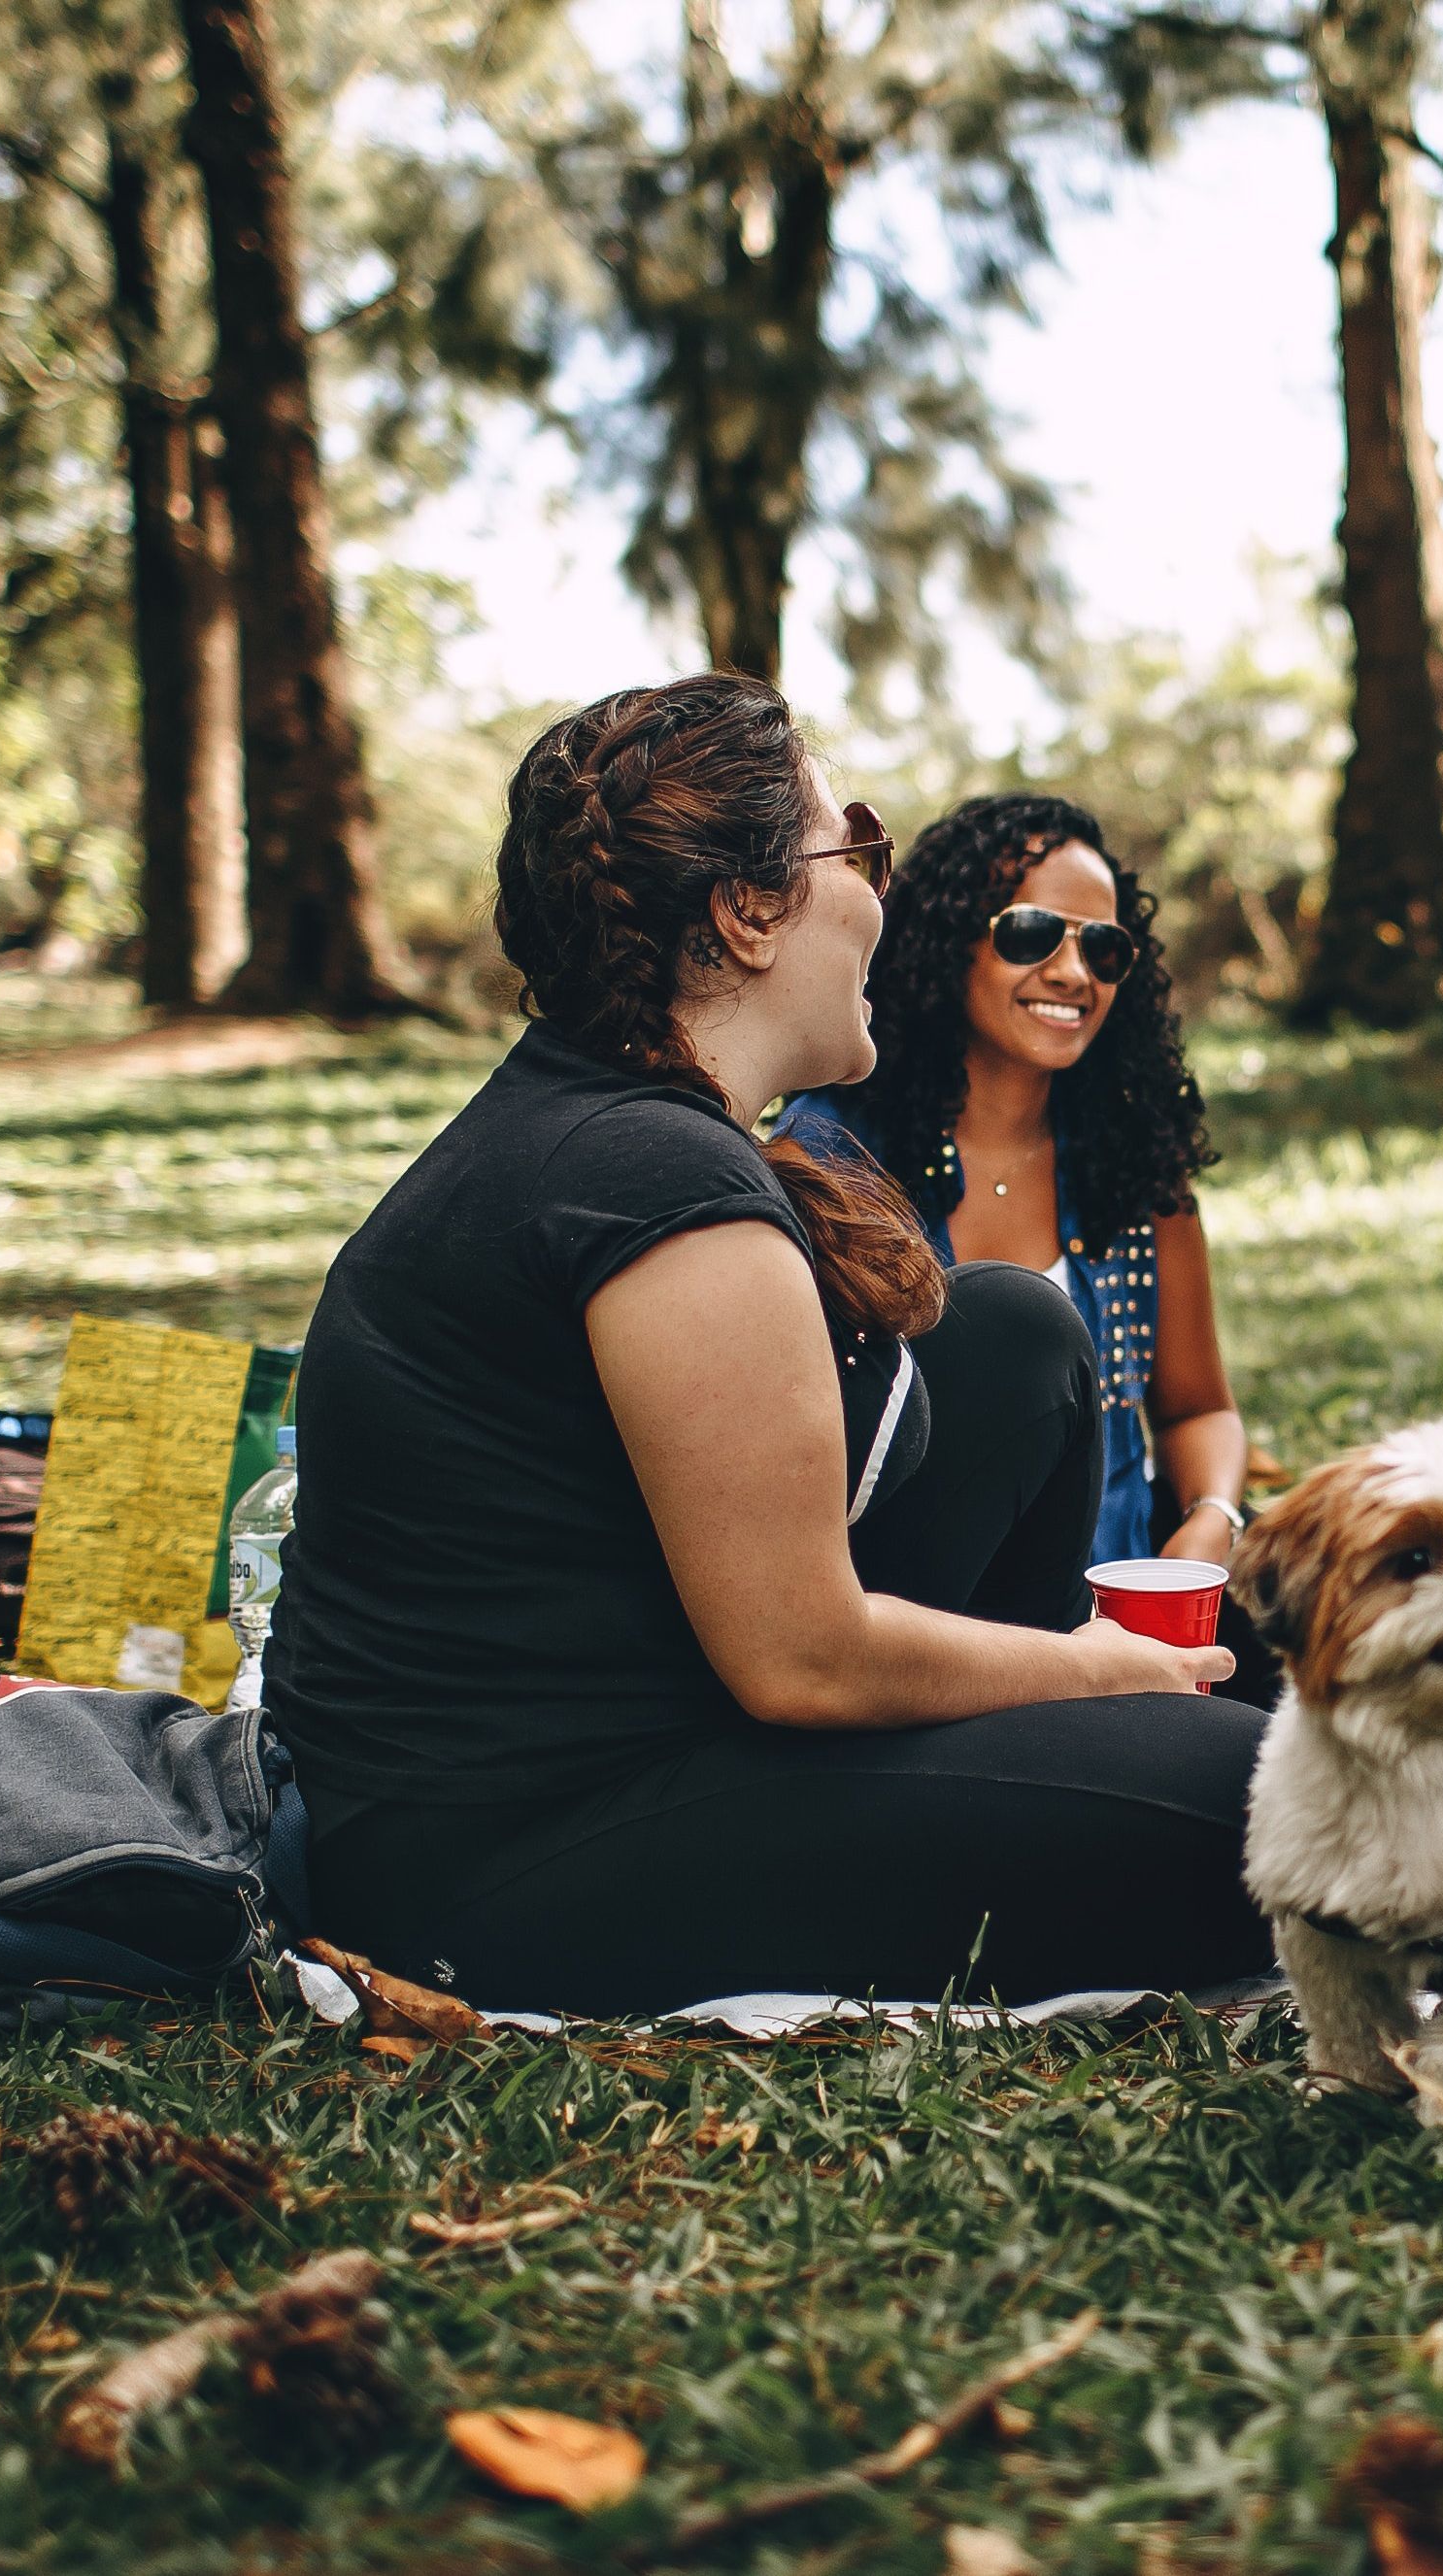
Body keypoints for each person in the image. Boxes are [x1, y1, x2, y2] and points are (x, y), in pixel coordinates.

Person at [264, 677, 1271, 2016]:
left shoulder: (615, 1121)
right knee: (1271, 1808)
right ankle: (1097, 1752)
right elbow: (804, 1659)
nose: (878, 893)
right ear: (746, 913)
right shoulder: (654, 1184)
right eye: (853, 847)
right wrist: (1105, 1663)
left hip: (649, 1710)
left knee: (1013, 1333)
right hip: (502, 1852)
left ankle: (1074, 1754)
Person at [769, 798, 1259, 1679]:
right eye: (1032, 933)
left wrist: (1211, 1518)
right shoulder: (833, 1153)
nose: (1074, 971)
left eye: (1104, 947)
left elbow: (1197, 1406)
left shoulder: (1134, 1158)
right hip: (932, 1626)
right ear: (948, 938)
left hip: (1131, 1613)